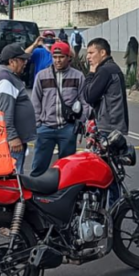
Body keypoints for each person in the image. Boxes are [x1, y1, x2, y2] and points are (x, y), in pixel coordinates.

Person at [30, 41, 85, 176]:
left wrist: (80, 123)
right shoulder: (42, 76)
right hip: (45, 128)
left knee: (67, 168)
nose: (58, 60)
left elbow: (84, 101)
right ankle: (35, 192)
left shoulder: (78, 76)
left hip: (68, 129)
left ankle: (64, 194)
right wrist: (38, 124)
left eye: (61, 57)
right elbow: (35, 101)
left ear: (68, 58)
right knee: (38, 166)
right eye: (55, 57)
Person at [0, 43, 37, 174]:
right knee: (14, 178)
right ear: (12, 61)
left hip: (17, 140)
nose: (25, 63)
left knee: (17, 176)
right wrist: (12, 137)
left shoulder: (10, 77)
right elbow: (4, 112)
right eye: (22, 60)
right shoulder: (5, 79)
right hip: (13, 143)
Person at [82, 38, 129, 136]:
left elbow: (89, 96)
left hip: (108, 126)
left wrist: (90, 73)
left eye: (91, 53)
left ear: (103, 52)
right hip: (114, 125)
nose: (88, 57)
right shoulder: (112, 67)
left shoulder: (105, 70)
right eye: (87, 53)